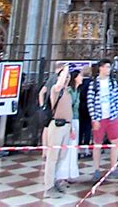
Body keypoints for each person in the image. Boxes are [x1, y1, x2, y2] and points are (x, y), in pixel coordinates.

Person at [87, 59, 118, 181]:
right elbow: (90, 102)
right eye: (107, 67)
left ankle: (114, 167)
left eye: (110, 67)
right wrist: (94, 118)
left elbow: (117, 99)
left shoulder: (113, 83)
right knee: (97, 144)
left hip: (111, 116)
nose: (109, 69)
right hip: (99, 117)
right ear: (101, 68)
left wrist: (116, 113)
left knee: (115, 142)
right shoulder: (94, 84)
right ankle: (96, 169)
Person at [43, 65, 73, 199]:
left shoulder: (67, 91)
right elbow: (59, 84)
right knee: (52, 157)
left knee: (61, 156)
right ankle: (48, 187)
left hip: (66, 126)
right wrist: (65, 68)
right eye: (64, 77)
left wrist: (71, 127)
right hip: (57, 126)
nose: (66, 79)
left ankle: (55, 182)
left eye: (68, 77)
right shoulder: (56, 90)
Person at [56, 69, 82, 185]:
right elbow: (69, 109)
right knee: (67, 148)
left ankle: (70, 173)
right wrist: (71, 127)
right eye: (80, 75)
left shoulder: (77, 91)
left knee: (73, 148)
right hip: (70, 121)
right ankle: (61, 174)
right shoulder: (70, 91)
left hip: (76, 120)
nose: (82, 77)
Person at [38, 61, 67, 159]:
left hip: (48, 105)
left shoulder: (50, 78)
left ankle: (44, 150)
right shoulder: (57, 78)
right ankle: (51, 150)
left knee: (46, 129)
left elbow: (41, 92)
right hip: (54, 105)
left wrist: (42, 106)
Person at [78, 64, 95, 158]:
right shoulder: (91, 82)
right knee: (88, 128)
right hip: (88, 107)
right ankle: (86, 148)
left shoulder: (79, 82)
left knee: (80, 128)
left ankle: (78, 147)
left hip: (80, 107)